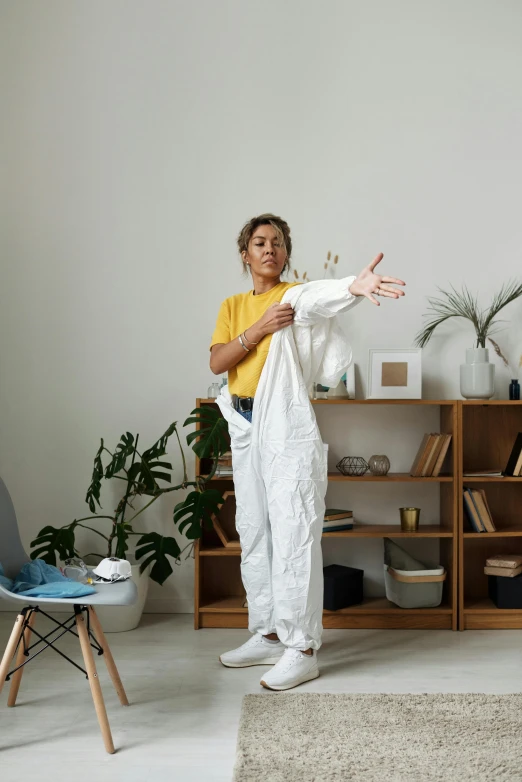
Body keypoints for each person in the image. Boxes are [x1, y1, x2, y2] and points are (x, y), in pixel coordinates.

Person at [209, 213, 405, 690]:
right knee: (254, 529)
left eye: (278, 243)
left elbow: (318, 298)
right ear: (245, 254)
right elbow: (218, 360)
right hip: (244, 422)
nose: (269, 249)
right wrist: (257, 330)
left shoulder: (292, 296)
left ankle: (302, 647)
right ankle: (269, 632)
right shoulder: (235, 305)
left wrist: (353, 288)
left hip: (284, 422)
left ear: (286, 254)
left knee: (294, 527)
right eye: (260, 242)